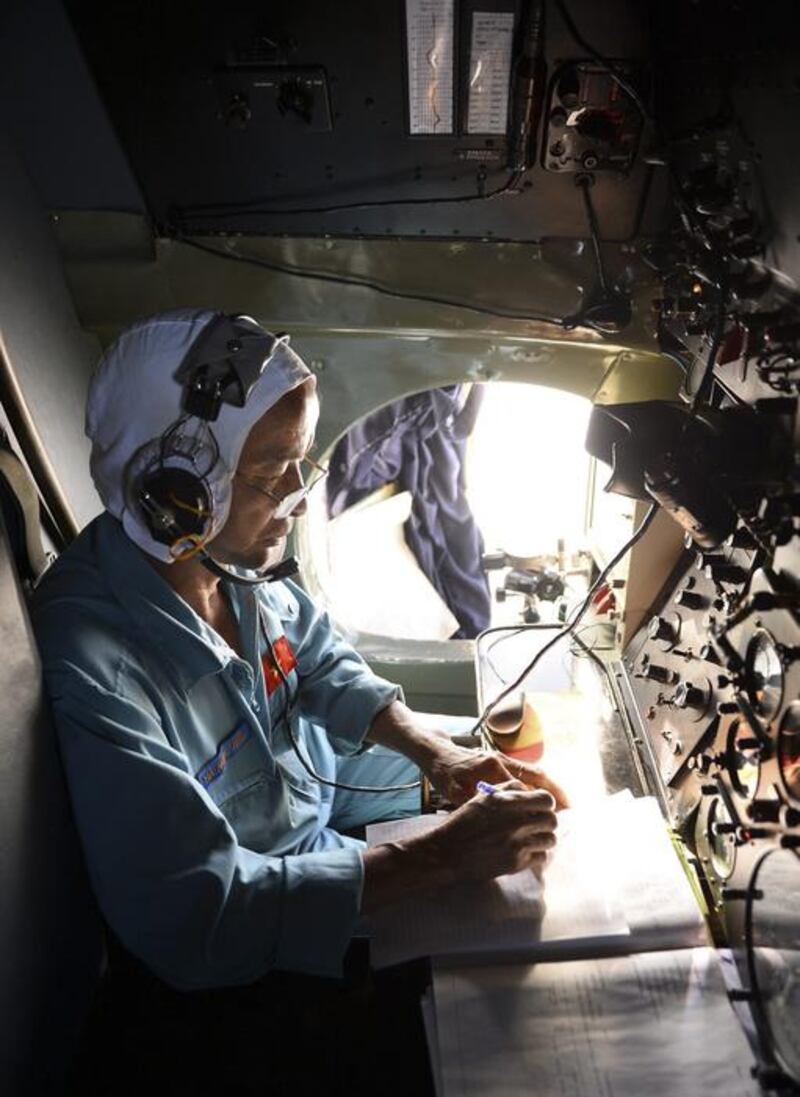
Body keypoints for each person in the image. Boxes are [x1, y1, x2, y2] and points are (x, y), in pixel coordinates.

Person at [32, 309, 564, 991]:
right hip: (260, 931)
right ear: (176, 495)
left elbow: (317, 658)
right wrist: (440, 859)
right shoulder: (96, 669)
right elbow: (199, 918)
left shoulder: (230, 562)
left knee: (521, 775)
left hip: (317, 802)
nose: (300, 496)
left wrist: (438, 755)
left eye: (301, 461)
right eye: (275, 470)